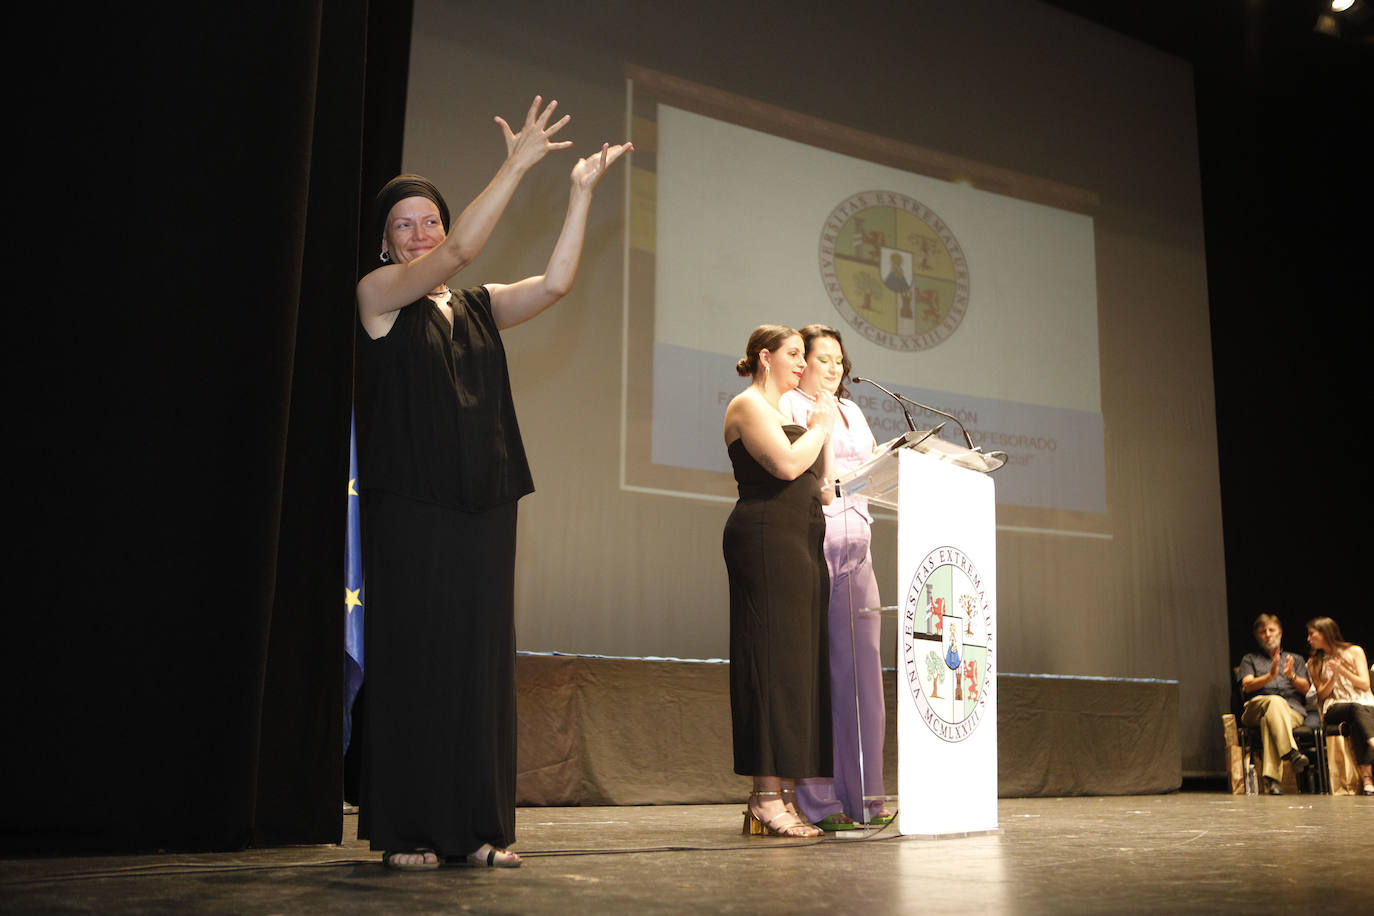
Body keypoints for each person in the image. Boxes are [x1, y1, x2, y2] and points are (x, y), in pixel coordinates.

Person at [355, 95, 631, 869]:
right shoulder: (378, 299)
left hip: (485, 500)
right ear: (384, 243)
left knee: (477, 663)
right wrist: (517, 163)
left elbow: (555, 286)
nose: (423, 233)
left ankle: (476, 828)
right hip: (410, 503)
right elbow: (459, 255)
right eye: (404, 224)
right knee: (417, 659)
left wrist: (577, 193)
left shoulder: (474, 308)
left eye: (430, 218)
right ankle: (407, 830)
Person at [723, 325, 838, 838]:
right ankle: (765, 798)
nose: (802, 363)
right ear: (764, 358)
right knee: (769, 661)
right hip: (766, 539)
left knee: (796, 667)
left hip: (802, 541)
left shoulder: (792, 415)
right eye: (793, 355)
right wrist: (817, 425)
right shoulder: (747, 406)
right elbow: (789, 465)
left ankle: (784, 795)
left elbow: (825, 489)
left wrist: (825, 426)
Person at [779, 325, 891, 830]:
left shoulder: (854, 410)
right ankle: (818, 802)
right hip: (812, 547)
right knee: (817, 676)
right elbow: (807, 479)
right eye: (823, 358)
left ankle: (867, 798)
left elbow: (864, 473)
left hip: (859, 548)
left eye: (839, 361)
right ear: (802, 362)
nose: (833, 368)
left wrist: (889, 466)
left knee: (863, 676)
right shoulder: (788, 405)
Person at [1237, 614, 1314, 795]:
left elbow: (1306, 689)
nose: (1268, 634)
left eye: (1271, 630)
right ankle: (1290, 751)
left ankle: (1273, 780)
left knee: (1269, 720)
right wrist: (1270, 676)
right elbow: (1247, 686)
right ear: (1257, 636)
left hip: (1292, 712)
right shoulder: (1250, 659)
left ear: (1280, 632)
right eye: (1263, 632)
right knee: (1274, 701)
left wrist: (1291, 676)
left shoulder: (1296, 659)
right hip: (1255, 708)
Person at [1306, 617, 1374, 796]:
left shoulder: (1354, 651)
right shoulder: (1314, 662)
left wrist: (1342, 670)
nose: (1309, 638)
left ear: (1325, 633)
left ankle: (1367, 780)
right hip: (1335, 706)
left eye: (1312, 634)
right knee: (1356, 710)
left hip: (1364, 702)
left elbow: (1365, 684)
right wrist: (1334, 678)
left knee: (1357, 721)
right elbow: (1321, 694)